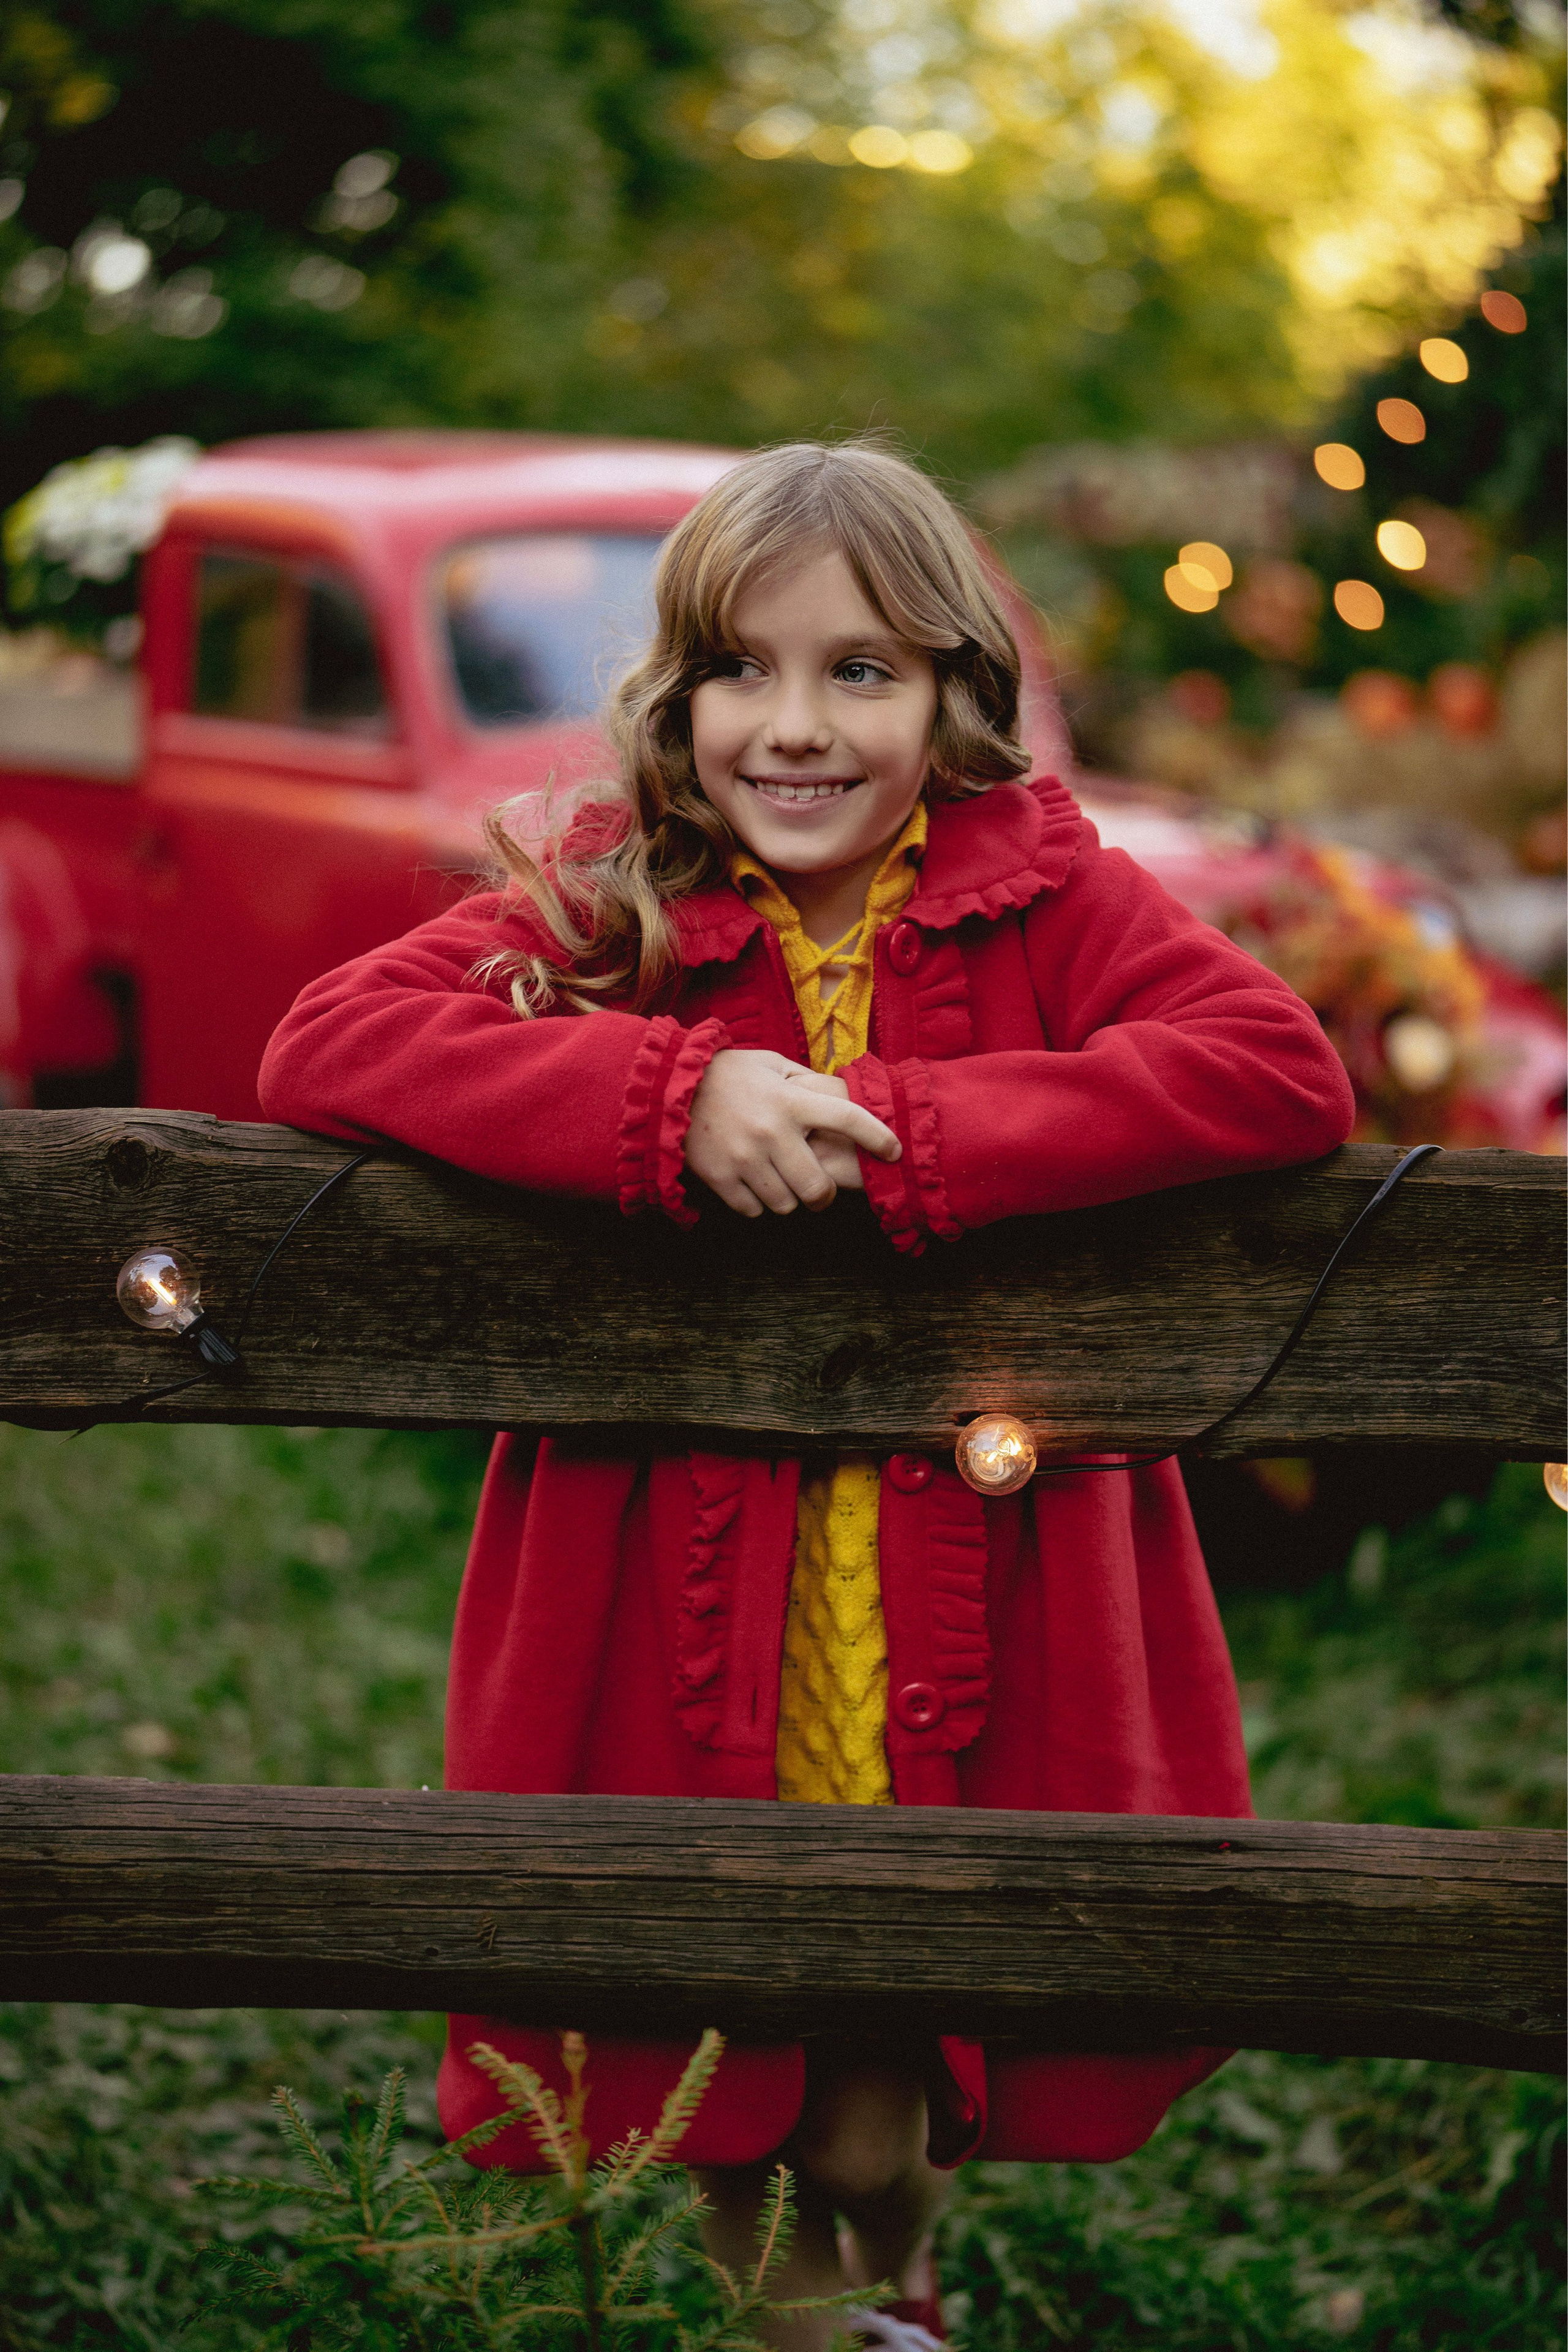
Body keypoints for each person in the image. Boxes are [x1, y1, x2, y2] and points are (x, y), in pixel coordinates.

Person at [258, 440, 1355, 2350]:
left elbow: (1274, 1068)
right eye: (743, 672)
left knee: (884, 2102)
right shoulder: (615, 904)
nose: (796, 727)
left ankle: (892, 2283)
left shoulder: (1050, 906)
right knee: (732, 2056)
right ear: (677, 701)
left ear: (953, 694)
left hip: (963, 1592)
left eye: (862, 671)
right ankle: (813, 2330)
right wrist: (666, 1097)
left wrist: (925, 1128)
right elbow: (330, 1038)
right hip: (692, 1599)